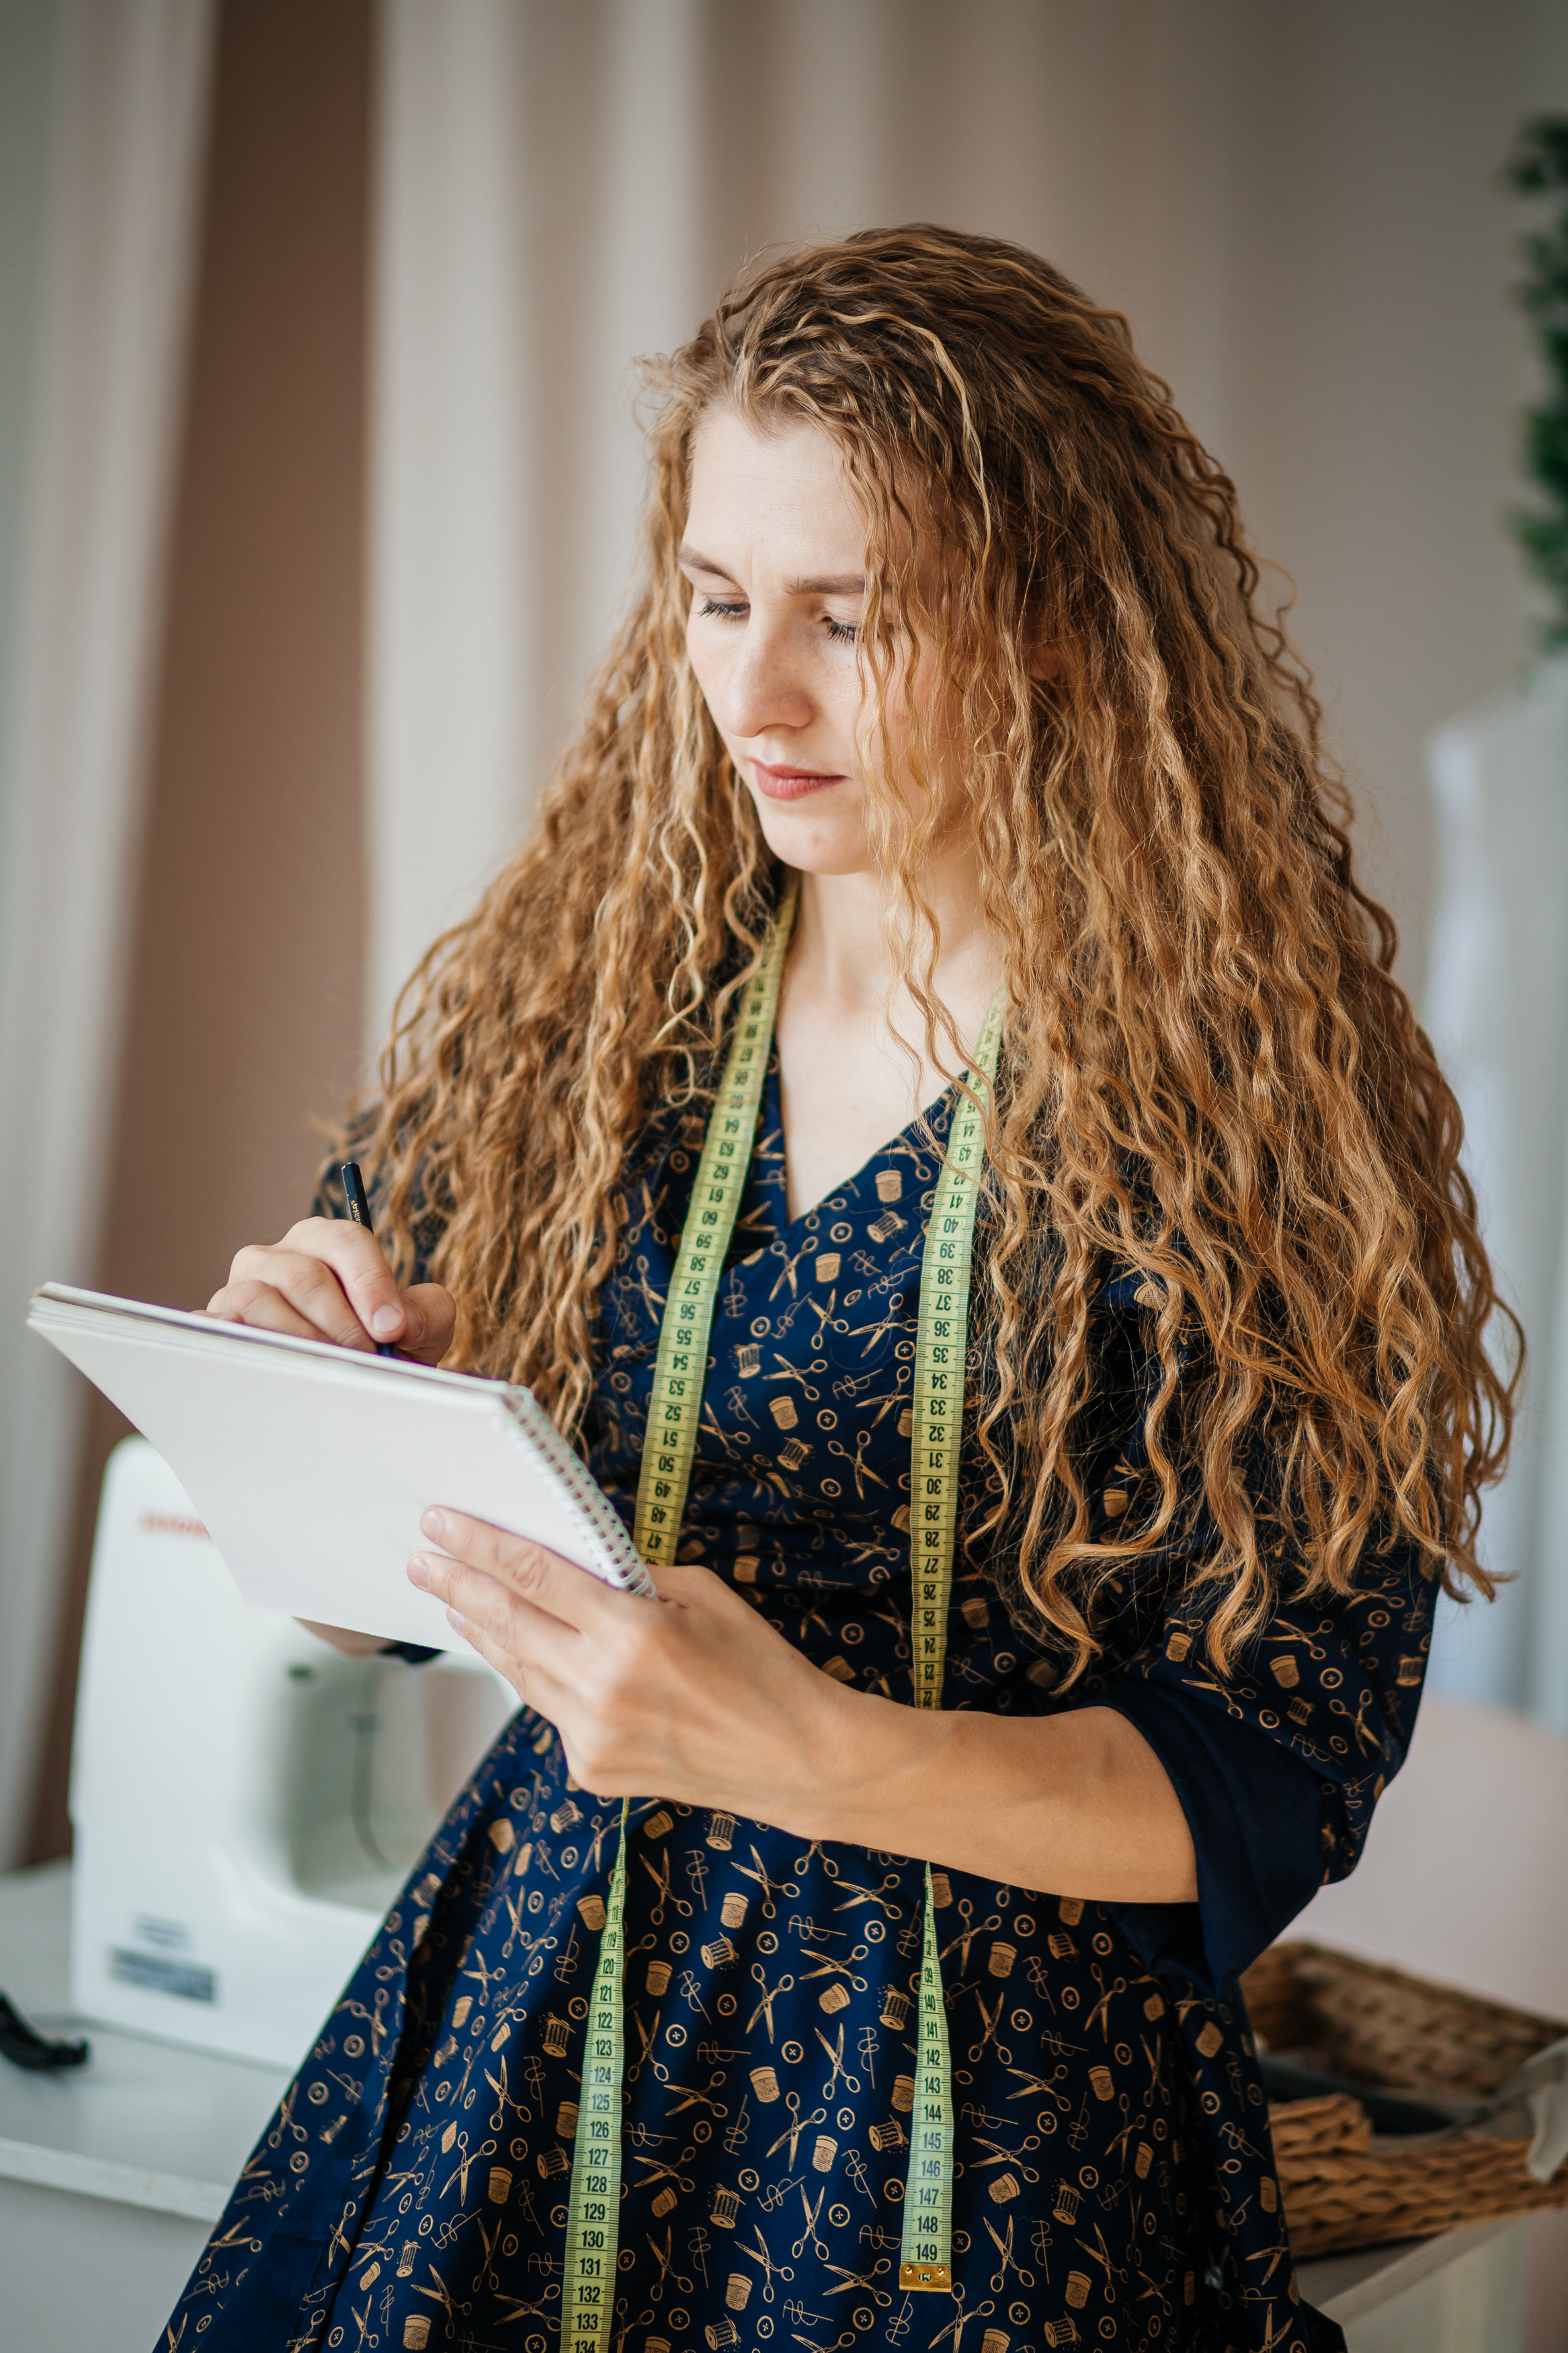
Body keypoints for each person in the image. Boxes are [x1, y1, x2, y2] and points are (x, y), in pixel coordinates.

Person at [163, 227, 1512, 2353]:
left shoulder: (1260, 1104)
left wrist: (819, 1752)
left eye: (851, 620)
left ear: (1059, 626)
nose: (754, 696)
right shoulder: (585, 1008)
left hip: (991, 2156)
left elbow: (1267, 1775)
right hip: (538, 2030)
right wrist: (309, 1396)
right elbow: (383, 1592)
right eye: (715, 601)